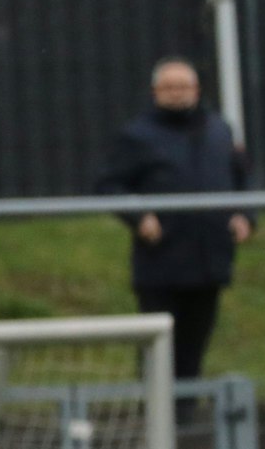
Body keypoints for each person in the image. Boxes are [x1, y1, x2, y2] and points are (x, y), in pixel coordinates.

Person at [95, 56, 255, 381]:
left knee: (193, 351)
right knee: (157, 353)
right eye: (169, 87)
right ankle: (154, 409)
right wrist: (139, 217)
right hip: (161, 262)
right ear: (155, 92)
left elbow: (244, 178)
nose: (177, 93)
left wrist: (246, 216)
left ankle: (186, 409)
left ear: (197, 89)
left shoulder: (219, 130)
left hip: (210, 260)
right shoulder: (137, 136)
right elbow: (109, 184)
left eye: (184, 86)